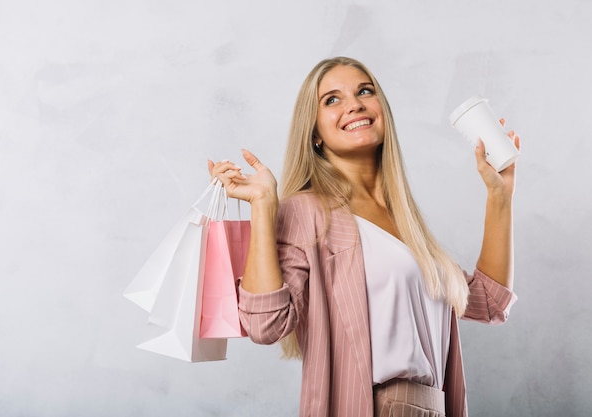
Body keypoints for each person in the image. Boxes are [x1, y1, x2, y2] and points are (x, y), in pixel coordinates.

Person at [208, 56, 519, 417]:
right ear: (315, 134)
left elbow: (489, 303)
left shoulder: (408, 224)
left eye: (364, 91)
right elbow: (265, 325)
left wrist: (500, 196)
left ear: (381, 109)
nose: (354, 103)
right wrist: (263, 205)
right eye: (332, 99)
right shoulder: (308, 211)